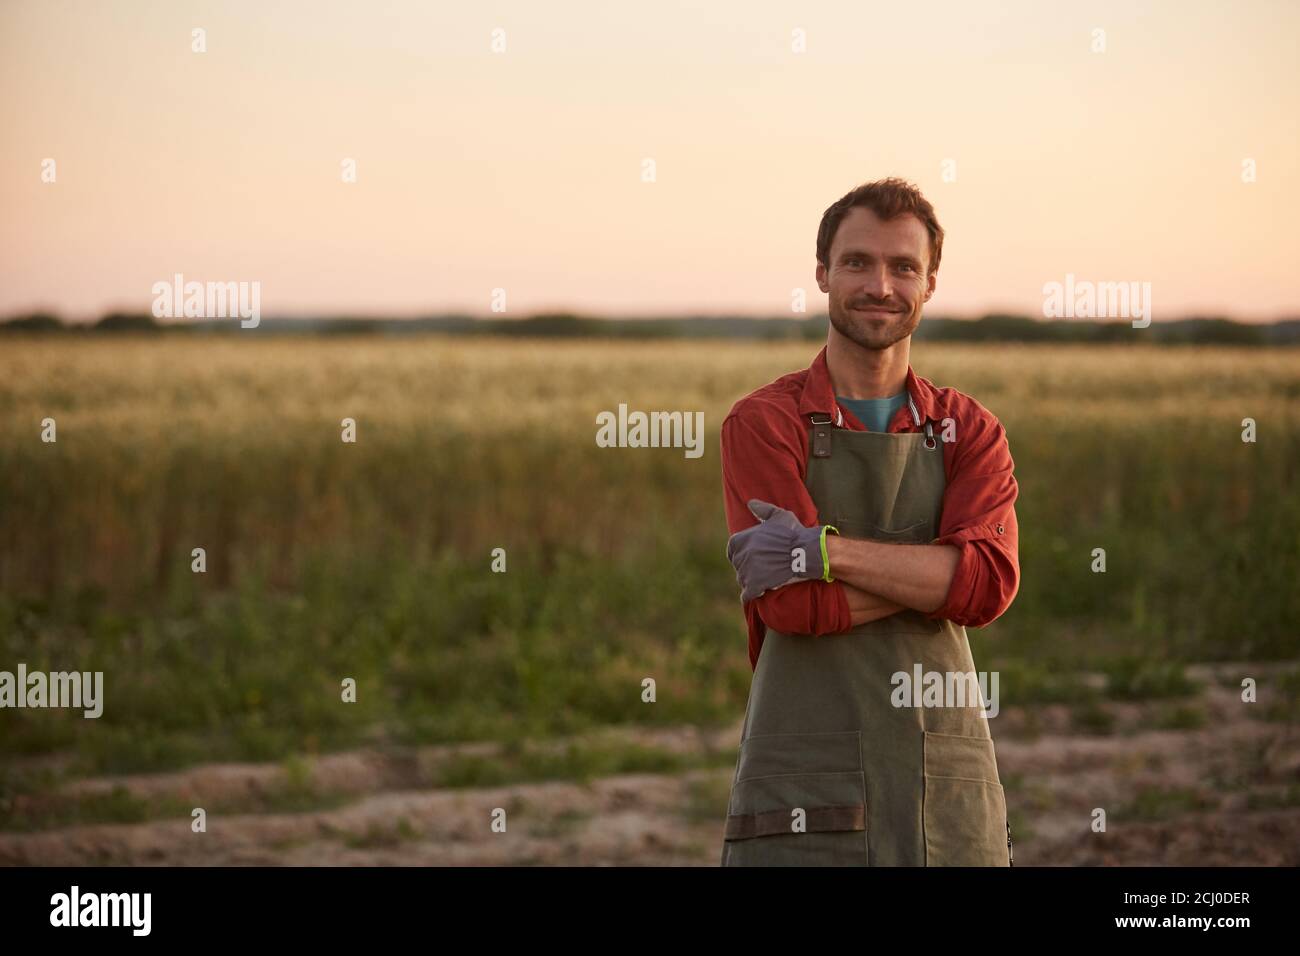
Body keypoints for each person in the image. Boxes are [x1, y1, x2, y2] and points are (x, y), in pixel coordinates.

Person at [718, 178, 1020, 866]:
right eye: (857, 262)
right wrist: (940, 573)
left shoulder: (970, 430)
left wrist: (820, 552)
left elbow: (990, 588)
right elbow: (792, 606)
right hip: (803, 786)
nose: (879, 285)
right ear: (822, 273)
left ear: (930, 282)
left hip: (943, 786)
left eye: (902, 266)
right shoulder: (765, 423)